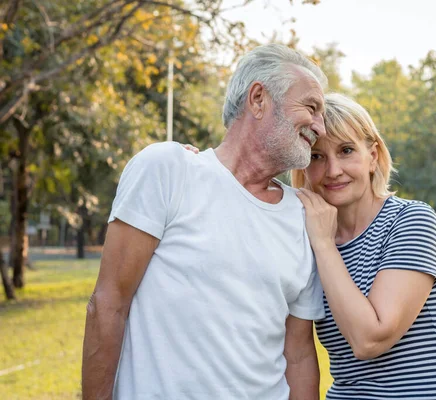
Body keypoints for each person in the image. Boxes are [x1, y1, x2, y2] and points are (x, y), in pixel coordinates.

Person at [81, 44, 328, 400]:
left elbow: (300, 354)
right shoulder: (168, 169)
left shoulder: (305, 216)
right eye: (311, 107)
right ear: (258, 98)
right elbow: (108, 303)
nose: (320, 125)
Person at [292, 93, 436, 400]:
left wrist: (323, 244)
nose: (333, 170)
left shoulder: (412, 220)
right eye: (317, 156)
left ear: (373, 156)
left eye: (346, 151)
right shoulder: (304, 238)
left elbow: (370, 339)